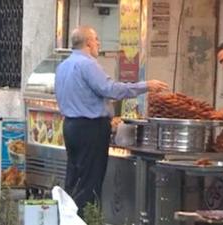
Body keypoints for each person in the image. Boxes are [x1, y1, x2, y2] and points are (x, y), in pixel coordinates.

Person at [54, 25, 168, 216]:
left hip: (71, 126)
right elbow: (110, 89)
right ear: (88, 43)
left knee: (75, 179)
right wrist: (145, 86)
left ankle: (68, 218)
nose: (99, 43)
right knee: (90, 180)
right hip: (90, 128)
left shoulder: (63, 65)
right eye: (96, 39)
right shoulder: (87, 64)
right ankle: (85, 219)